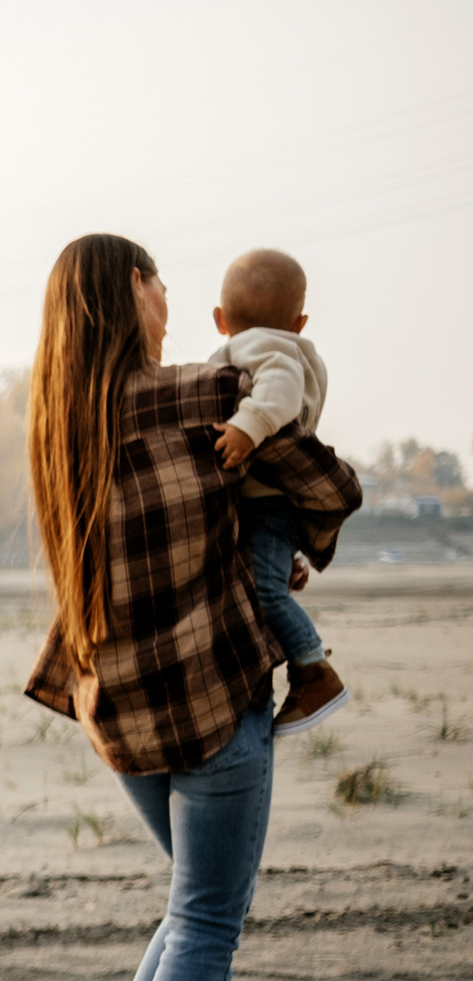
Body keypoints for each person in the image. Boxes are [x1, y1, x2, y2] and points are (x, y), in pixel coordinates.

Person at [27, 235, 360, 981]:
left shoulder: (58, 424)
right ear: (133, 291)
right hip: (206, 697)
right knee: (211, 914)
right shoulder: (195, 396)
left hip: (113, 709)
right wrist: (289, 541)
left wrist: (251, 549)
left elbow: (158, 528)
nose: (171, 295)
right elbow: (328, 484)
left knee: (188, 899)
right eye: (159, 278)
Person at [208, 247, 347, 734]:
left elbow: (280, 389)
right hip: (278, 503)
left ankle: (313, 670)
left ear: (219, 319)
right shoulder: (297, 350)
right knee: (262, 580)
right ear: (300, 320)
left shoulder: (258, 347)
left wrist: (248, 426)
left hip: (265, 501)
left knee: (265, 594)